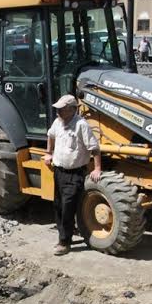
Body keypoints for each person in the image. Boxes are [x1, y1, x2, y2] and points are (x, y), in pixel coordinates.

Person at [43, 94, 101, 256]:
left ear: (72, 109)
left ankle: (64, 242)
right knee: (58, 205)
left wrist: (96, 168)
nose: (58, 112)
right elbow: (50, 135)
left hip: (75, 173)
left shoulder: (81, 125)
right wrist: (48, 153)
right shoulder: (58, 122)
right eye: (58, 109)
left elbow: (94, 148)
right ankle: (64, 234)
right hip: (59, 171)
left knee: (68, 206)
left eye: (61, 109)